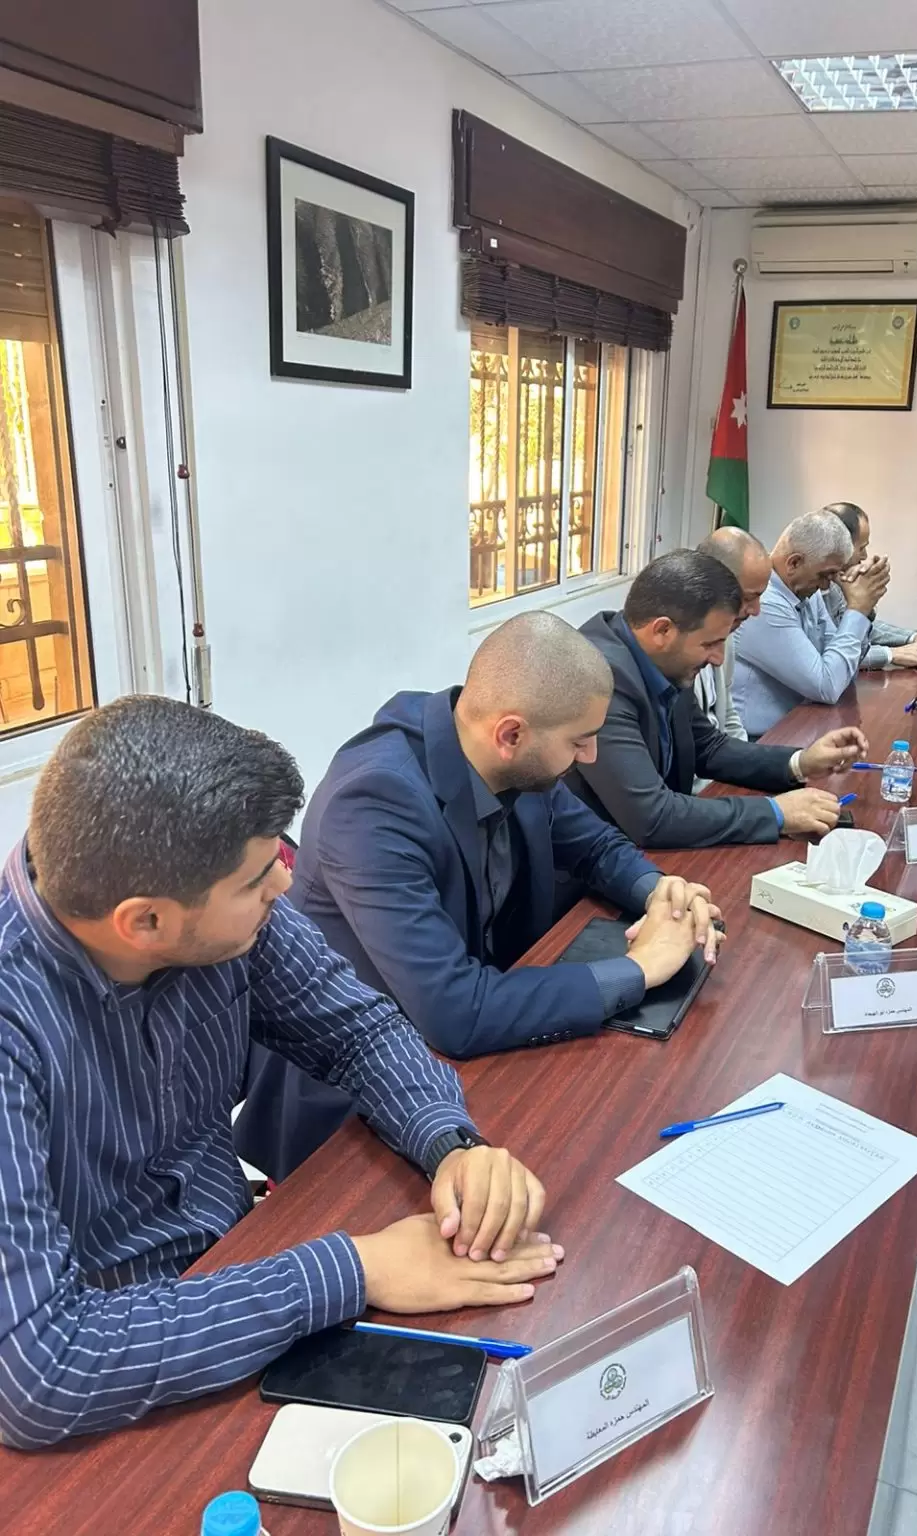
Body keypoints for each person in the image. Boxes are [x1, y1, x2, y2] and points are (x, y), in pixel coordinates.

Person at [0, 698, 562, 1449]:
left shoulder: (217, 909)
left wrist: (450, 1144)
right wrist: (355, 1270)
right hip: (120, 1369)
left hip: (240, 1264)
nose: (284, 887)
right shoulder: (15, 1022)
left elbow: (358, 1029)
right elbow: (43, 1371)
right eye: (255, 880)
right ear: (145, 922)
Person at [235, 614, 721, 1181]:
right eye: (579, 741)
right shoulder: (373, 801)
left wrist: (660, 891)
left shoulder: (506, 755)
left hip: (477, 1044)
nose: (591, 756)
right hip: (362, 1103)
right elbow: (456, 1012)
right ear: (511, 735)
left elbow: (594, 845)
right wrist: (641, 968)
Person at [570, 549, 867, 848]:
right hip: (596, 865)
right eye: (710, 644)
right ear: (662, 630)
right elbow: (651, 817)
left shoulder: (662, 658)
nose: (718, 658)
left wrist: (800, 762)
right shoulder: (599, 679)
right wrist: (775, 813)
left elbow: (708, 747)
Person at [733, 510, 891, 737]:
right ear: (794, 563)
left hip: (800, 725)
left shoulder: (807, 590)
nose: (827, 586)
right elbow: (827, 686)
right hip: (759, 741)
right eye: (825, 575)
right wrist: (857, 609)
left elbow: (843, 670)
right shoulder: (764, 603)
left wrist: (862, 607)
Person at [691, 527, 771, 789]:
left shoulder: (726, 633)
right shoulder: (673, 650)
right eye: (749, 598)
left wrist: (746, 774)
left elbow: (727, 715)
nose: (756, 610)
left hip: (719, 777)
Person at [822, 503, 917, 670]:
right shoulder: (812, 589)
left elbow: (860, 630)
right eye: (861, 548)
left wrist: (913, 637)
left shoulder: (837, 584)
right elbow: (829, 656)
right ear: (838, 546)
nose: (864, 556)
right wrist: (891, 654)